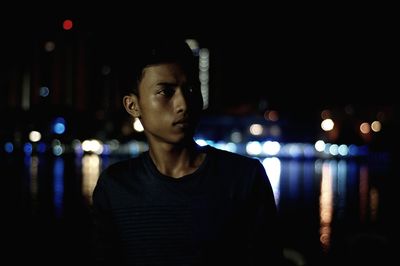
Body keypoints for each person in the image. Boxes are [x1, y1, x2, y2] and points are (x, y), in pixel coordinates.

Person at [91, 37, 284, 265]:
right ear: (133, 105)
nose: (184, 103)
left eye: (191, 88)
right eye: (165, 92)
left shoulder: (244, 177)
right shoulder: (115, 187)